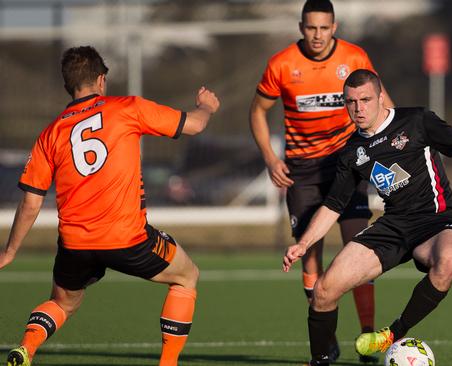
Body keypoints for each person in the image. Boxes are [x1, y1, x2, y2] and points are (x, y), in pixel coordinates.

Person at [282, 69, 452, 366]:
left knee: (450, 260)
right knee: (324, 290)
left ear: (380, 97)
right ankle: (320, 360)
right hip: (394, 225)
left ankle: (394, 332)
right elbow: (334, 205)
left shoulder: (416, 121)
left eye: (365, 99)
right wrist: (304, 243)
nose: (358, 108)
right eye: (351, 102)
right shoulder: (352, 152)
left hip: (437, 220)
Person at [0, 46, 220, 366]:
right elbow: (195, 125)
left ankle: (25, 349)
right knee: (187, 276)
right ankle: (168, 364)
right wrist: (206, 107)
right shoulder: (127, 108)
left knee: (62, 304)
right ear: (101, 80)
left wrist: (9, 251)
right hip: (128, 239)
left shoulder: (50, 134)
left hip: (75, 245)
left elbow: (31, 203)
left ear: (68, 86)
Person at [250, 1, 393, 362]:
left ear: (334, 26)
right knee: (309, 258)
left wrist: (389, 145)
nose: (317, 35)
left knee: (359, 248)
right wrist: (270, 158)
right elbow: (257, 111)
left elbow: (382, 101)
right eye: (311, 28)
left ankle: (367, 338)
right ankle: (325, 342)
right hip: (302, 173)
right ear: (301, 27)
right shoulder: (282, 64)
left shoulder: (355, 56)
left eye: (324, 28)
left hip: (350, 164)